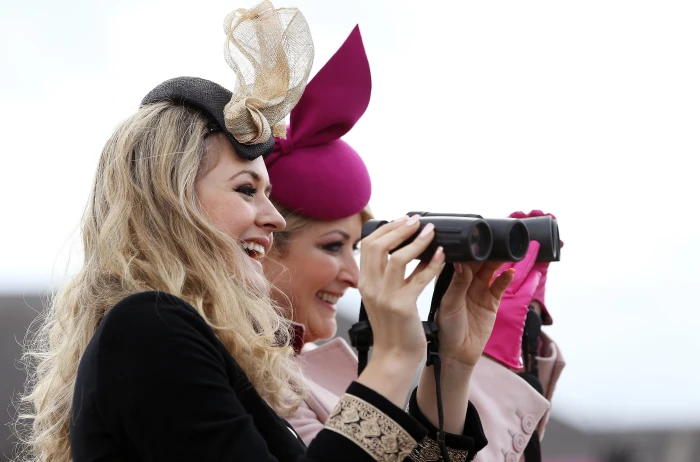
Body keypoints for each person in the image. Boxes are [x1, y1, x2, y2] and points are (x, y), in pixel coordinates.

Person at [14, 3, 515, 462]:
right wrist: (392, 356)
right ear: (172, 202)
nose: (273, 217)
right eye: (246, 190)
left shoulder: (196, 347)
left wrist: (450, 365)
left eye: (269, 193)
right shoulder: (148, 327)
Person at [262, 25, 565, 462]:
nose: (354, 276)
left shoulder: (323, 374)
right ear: (262, 244)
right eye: (331, 246)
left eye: (357, 248)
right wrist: (493, 363)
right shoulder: (250, 384)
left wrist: (455, 368)